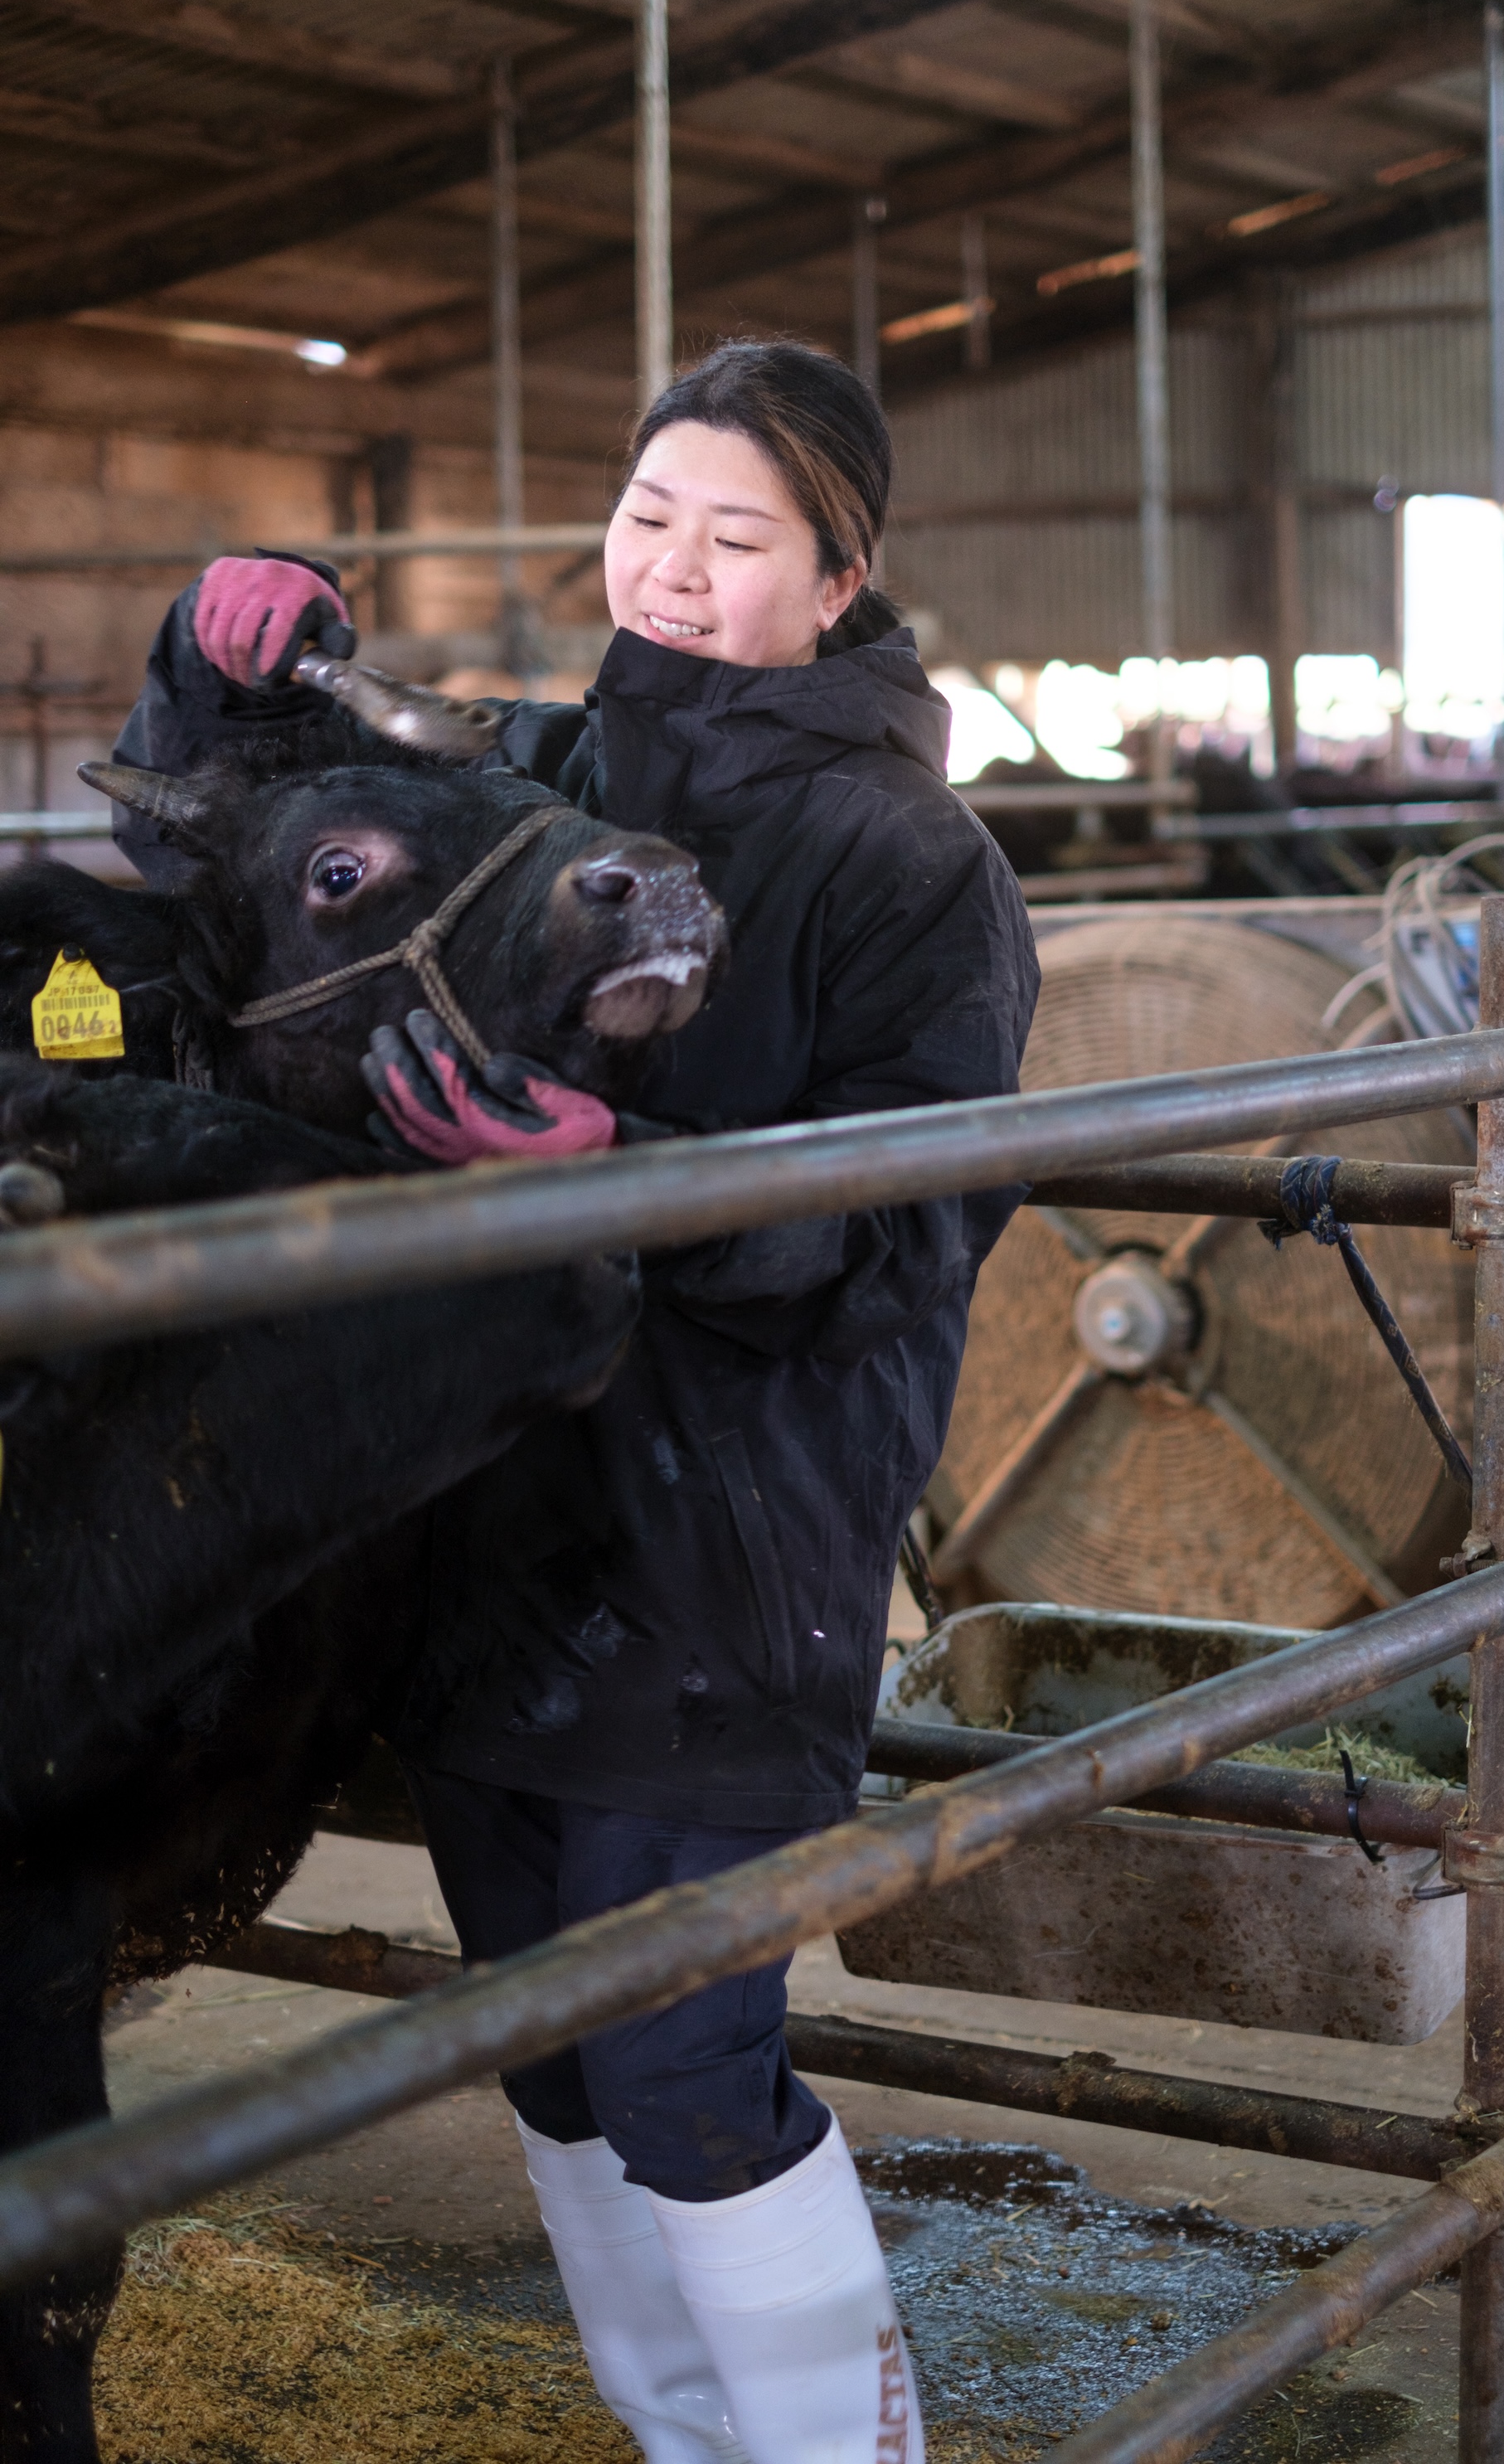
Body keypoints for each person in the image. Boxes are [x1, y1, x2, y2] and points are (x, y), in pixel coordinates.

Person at [115, 339, 1039, 2464]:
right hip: (482, 1520)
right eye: (647, 522)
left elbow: (906, 1229)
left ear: (838, 581)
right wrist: (210, 652)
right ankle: (686, 2442)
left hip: (723, 1543)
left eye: (737, 542)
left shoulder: (906, 860)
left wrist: (628, 1192)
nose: (676, 574)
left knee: (688, 2072)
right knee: (547, 2054)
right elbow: (244, 834)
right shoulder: (529, 776)